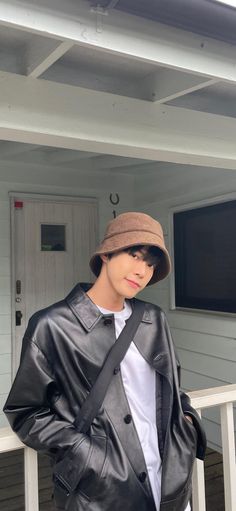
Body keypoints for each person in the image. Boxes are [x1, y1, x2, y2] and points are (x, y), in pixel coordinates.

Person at [4, 212, 206, 511]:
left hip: (170, 481)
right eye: (135, 255)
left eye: (151, 264)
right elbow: (26, 411)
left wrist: (186, 425)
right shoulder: (52, 326)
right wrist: (87, 454)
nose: (142, 271)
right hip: (101, 493)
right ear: (107, 254)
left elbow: (172, 389)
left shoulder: (153, 319)